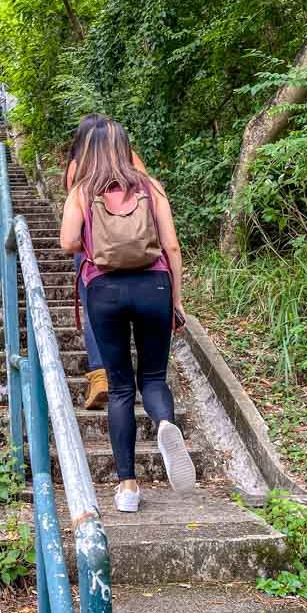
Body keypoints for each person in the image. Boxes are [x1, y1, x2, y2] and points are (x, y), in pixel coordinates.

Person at [59, 117, 195, 511]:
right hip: (154, 287)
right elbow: (171, 247)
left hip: (105, 290)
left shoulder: (83, 189)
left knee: (120, 388)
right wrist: (176, 301)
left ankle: (128, 488)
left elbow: (68, 242)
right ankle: (166, 423)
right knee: (152, 377)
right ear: (125, 146)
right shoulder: (150, 187)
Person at [64, 114, 147, 411]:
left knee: (95, 312)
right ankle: (142, 380)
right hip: (135, 248)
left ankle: (102, 377)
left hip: (91, 253)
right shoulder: (129, 159)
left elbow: (72, 220)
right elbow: (146, 193)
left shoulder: (78, 165)